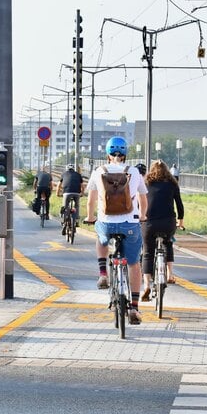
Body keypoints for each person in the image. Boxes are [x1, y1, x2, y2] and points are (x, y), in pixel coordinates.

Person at [85, 136, 148, 324]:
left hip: (106, 222)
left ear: (108, 154)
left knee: (100, 235)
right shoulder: (134, 172)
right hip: (130, 223)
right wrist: (142, 216)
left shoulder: (99, 171)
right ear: (125, 153)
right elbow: (143, 199)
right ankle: (135, 308)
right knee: (134, 264)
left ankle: (103, 273)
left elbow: (91, 201)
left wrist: (90, 217)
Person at [140, 160, 184, 302]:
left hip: (149, 223)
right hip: (168, 223)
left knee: (147, 252)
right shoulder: (172, 184)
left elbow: (138, 203)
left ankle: (146, 284)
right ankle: (170, 275)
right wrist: (180, 221)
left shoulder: (146, 183)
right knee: (168, 243)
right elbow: (179, 204)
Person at [56, 164, 84, 235]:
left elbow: (59, 185)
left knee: (65, 207)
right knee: (76, 206)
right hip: (76, 193)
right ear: (74, 169)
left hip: (66, 193)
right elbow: (82, 186)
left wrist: (57, 193)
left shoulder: (63, 174)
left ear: (66, 169)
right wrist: (82, 193)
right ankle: (76, 220)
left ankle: (64, 222)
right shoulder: (78, 174)